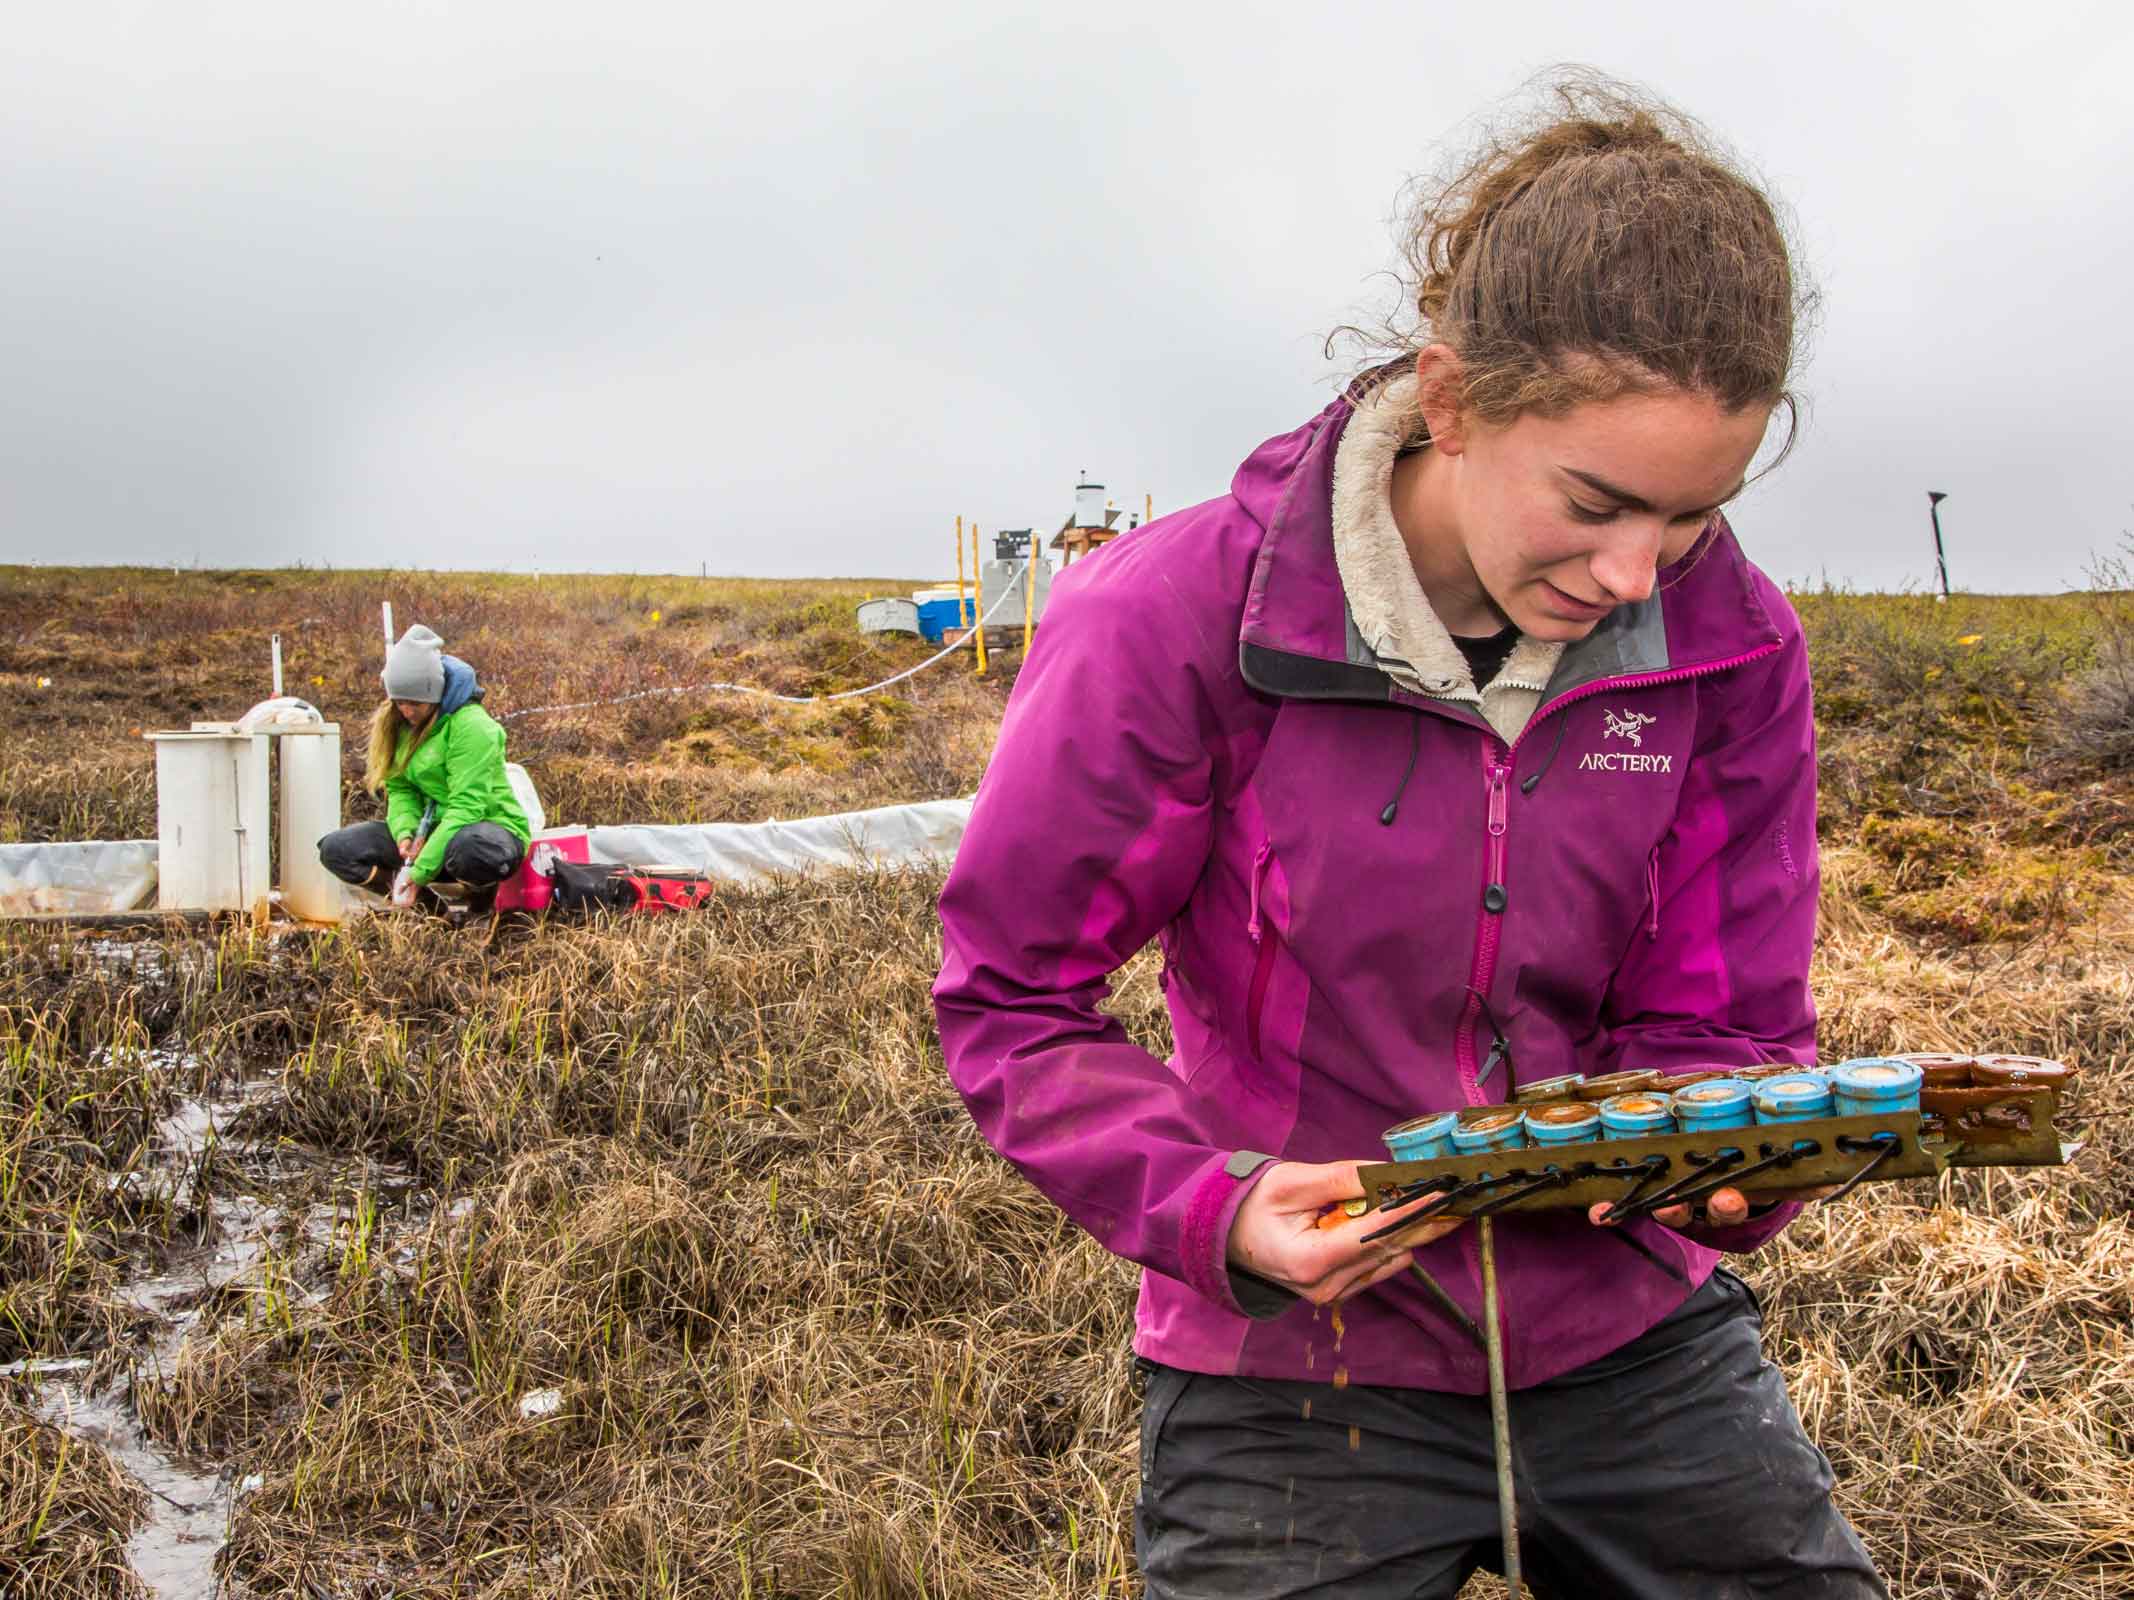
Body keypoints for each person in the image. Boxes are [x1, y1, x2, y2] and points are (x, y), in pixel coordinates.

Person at [933, 76, 1885, 1598]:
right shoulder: (1174, 621)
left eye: (1691, 519)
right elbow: (1011, 999)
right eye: (1595, 502)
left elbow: (1724, 1013)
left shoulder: (1731, 645)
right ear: (1450, 400)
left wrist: (1730, 1146)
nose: (1637, 574)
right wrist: (1213, 1204)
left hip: (1626, 1330)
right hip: (1295, 1365)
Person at [318, 624, 531, 911]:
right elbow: (400, 787)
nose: (406, 711)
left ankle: (481, 908)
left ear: (434, 694)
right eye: (399, 702)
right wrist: (405, 834)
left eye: (415, 703)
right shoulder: (398, 725)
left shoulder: (472, 727)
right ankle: (430, 911)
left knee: (471, 850)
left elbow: (467, 807)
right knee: (337, 849)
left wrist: (419, 871)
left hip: (488, 832)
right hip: (433, 834)